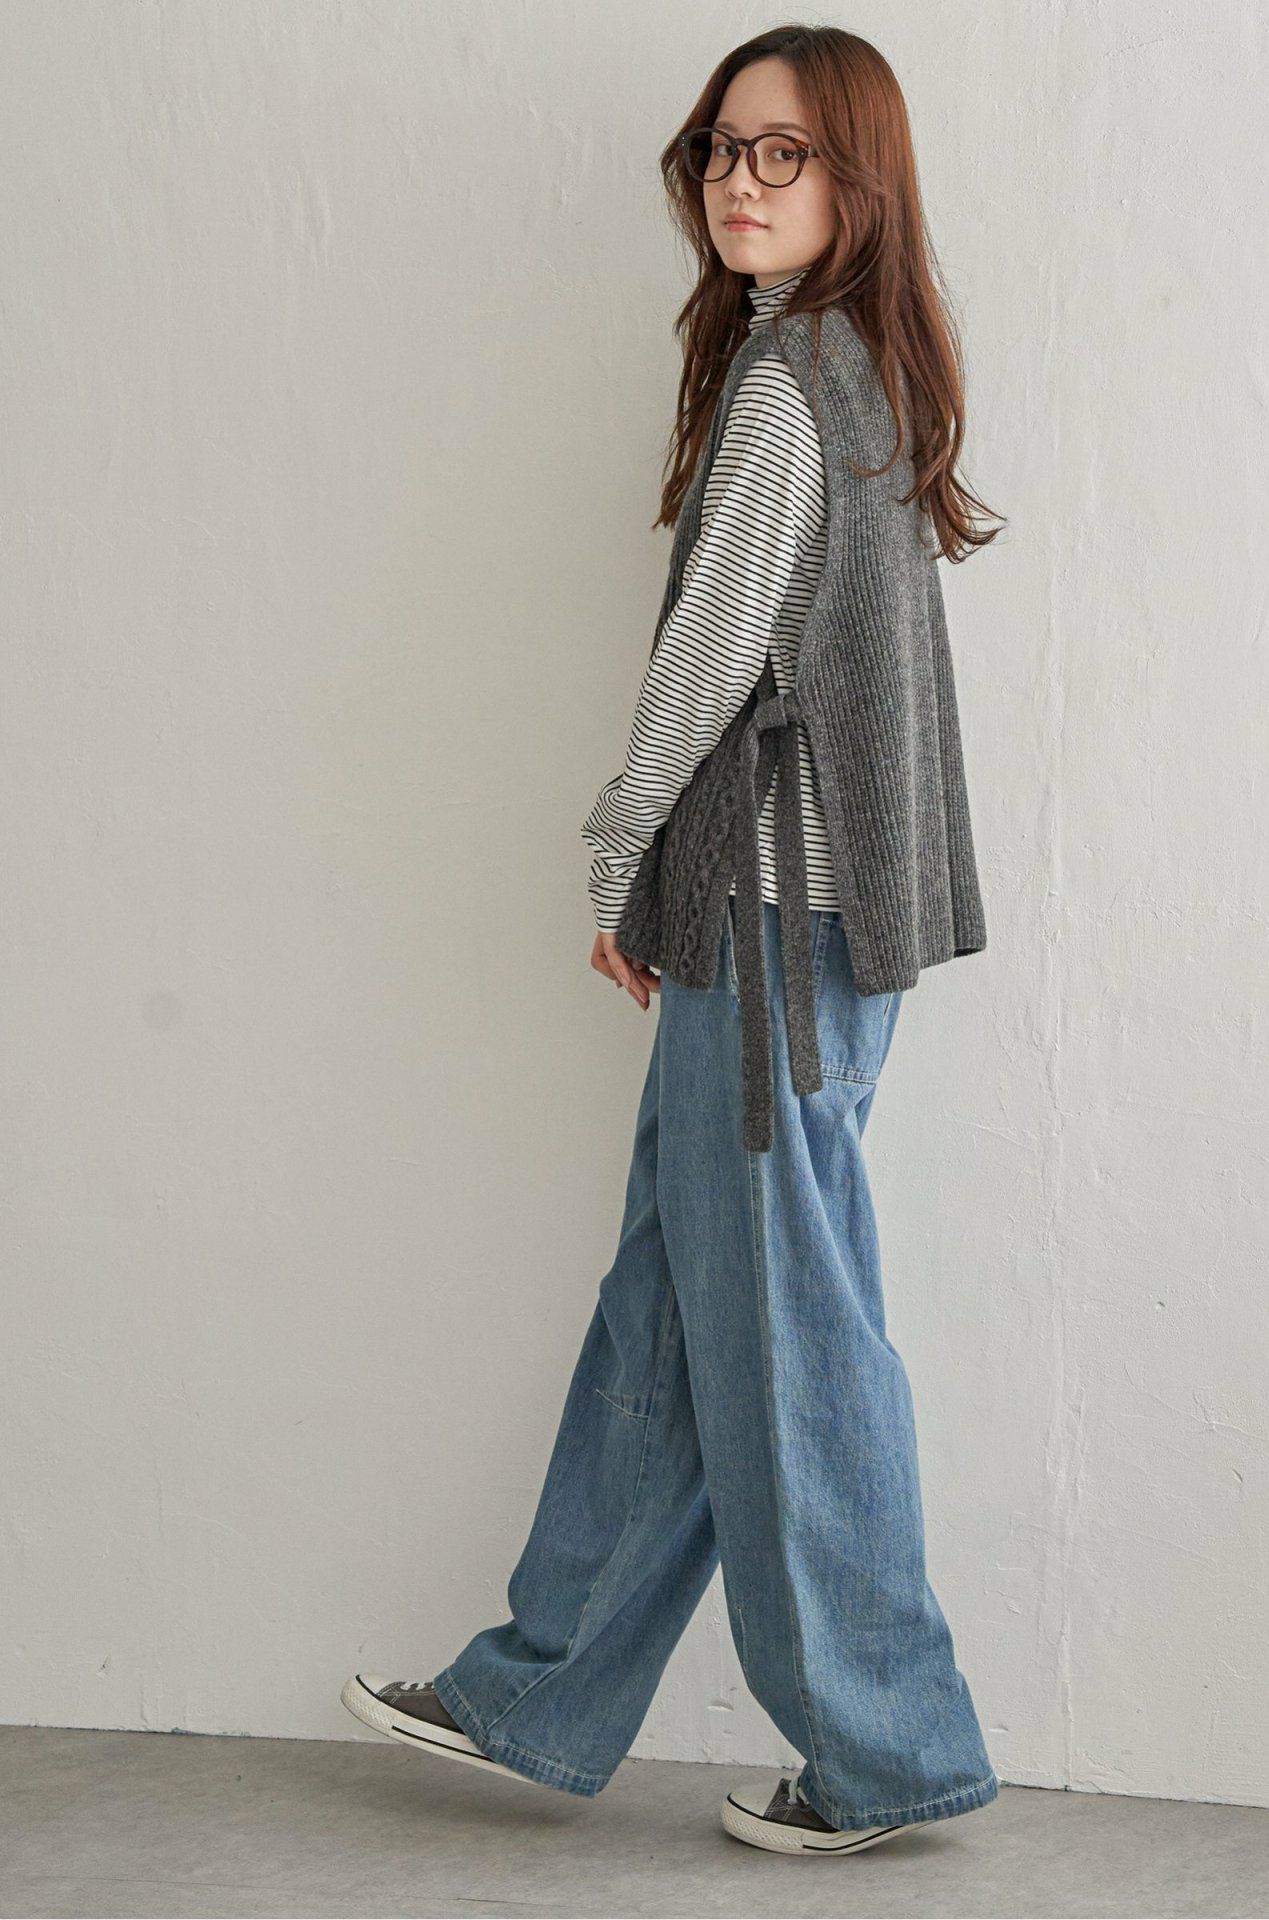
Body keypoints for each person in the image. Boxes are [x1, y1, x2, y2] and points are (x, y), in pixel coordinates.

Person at [342, 24, 1004, 1858]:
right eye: (722, 145)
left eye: (784, 152)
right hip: (798, 938)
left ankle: (887, 1751)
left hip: (773, 936)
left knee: (787, 1343)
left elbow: (713, 662)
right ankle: (539, 1692)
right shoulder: (859, 368)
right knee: (685, 1309)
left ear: (858, 177)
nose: (738, 179)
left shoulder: (795, 385)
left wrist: (617, 847)